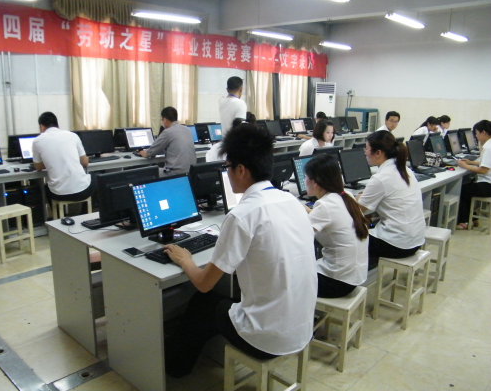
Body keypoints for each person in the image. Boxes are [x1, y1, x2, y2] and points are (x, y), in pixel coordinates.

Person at [163, 124, 317, 378]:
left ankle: (175, 368)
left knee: (203, 302)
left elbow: (204, 283)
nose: (227, 173)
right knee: (226, 295)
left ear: (241, 170)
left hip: (268, 339)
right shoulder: (291, 201)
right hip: (302, 327)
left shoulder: (243, 214)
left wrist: (185, 260)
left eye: (227, 167)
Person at [356, 131, 425, 269]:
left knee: (347, 239)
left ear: (378, 153)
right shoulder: (405, 170)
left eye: (367, 149)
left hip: (397, 245)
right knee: (368, 224)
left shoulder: (380, 178)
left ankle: (359, 276)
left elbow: (358, 211)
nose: (365, 152)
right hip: (416, 240)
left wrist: (358, 199)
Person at [303, 154, 369, 298]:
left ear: (315, 182)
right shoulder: (346, 196)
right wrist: (307, 210)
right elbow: (326, 217)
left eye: (305, 177)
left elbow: (298, 236)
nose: (304, 181)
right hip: (354, 276)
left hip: (336, 283)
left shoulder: (325, 206)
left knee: (286, 276)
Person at [32, 112, 94, 203]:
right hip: (83, 192)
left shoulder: (37, 141)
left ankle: (54, 212)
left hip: (58, 194)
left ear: (41, 127)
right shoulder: (73, 135)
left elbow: (38, 168)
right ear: (58, 125)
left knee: (45, 188)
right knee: (94, 178)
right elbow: (85, 163)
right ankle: (86, 211)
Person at [138, 106, 196, 176]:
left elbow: (150, 152)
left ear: (165, 119)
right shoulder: (187, 129)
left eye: (162, 120)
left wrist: (143, 152)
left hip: (175, 173)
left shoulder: (167, 132)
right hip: (191, 172)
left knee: (146, 173)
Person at [456, 120, 491, 230]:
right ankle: (474, 219)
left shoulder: (488, 148)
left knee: (463, 190)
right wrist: (471, 162)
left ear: (483, 132)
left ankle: (464, 221)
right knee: (469, 184)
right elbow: (486, 163)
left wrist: (465, 166)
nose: (476, 136)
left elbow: (483, 170)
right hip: (488, 182)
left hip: (488, 185)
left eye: (476, 133)